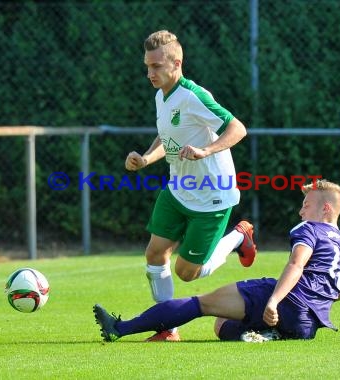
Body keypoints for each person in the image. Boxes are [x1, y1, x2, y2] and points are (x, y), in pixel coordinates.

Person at [93, 179, 340, 342]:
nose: (301, 211)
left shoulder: (308, 229)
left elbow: (296, 265)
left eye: (306, 205)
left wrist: (274, 300)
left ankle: (120, 328)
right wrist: (316, 302)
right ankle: (267, 334)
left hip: (288, 302)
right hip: (307, 327)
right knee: (222, 326)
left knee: (201, 304)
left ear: (326, 208)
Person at [124, 29, 257, 341]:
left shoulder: (194, 96)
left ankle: (239, 236)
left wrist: (206, 150)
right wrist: (145, 159)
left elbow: (238, 128)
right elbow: (167, 136)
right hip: (178, 188)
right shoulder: (162, 96)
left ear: (177, 63)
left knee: (187, 273)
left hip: (211, 196)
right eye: (147, 66)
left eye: (156, 66)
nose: (149, 73)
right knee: (155, 254)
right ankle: (168, 328)